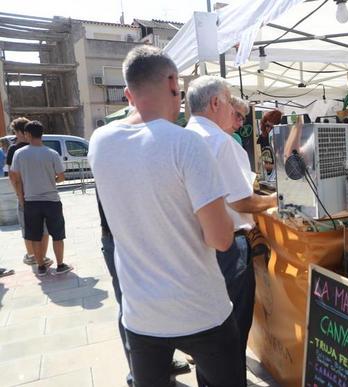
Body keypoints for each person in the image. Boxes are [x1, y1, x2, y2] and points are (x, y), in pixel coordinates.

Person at [88, 46, 242, 387]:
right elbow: (220, 238)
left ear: (128, 93)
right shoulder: (186, 144)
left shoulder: (99, 142)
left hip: (141, 313)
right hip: (201, 309)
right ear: (173, 83)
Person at [185, 76, 278, 384]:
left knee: (207, 330)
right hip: (228, 248)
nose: (238, 116)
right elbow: (241, 202)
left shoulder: (183, 138)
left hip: (196, 245)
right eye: (229, 102)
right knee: (232, 329)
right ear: (215, 103)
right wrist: (277, 199)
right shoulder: (220, 142)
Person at [97, 193, 190, 386]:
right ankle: (138, 371)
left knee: (157, 301)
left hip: (141, 234)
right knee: (129, 303)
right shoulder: (109, 161)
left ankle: (161, 362)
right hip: (123, 236)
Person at [9, 120, 72, 276]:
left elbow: (15, 177)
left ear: (28, 134)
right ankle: (60, 265)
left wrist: (21, 198)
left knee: (35, 236)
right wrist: (52, 180)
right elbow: (62, 177)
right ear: (41, 134)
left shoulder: (19, 153)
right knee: (57, 235)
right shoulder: (52, 153)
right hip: (52, 200)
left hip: (31, 201)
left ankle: (41, 267)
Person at [6, 118, 51, 267]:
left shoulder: (15, 150)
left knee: (27, 227)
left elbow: (13, 177)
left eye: (15, 132)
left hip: (25, 194)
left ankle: (33, 256)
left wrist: (19, 196)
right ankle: (43, 257)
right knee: (44, 227)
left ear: (21, 132)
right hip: (44, 194)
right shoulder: (40, 146)